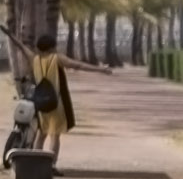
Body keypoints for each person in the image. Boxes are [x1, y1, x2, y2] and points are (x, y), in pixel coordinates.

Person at [8, 30, 109, 165]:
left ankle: (37, 163)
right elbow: (77, 65)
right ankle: (51, 165)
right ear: (51, 47)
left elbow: (21, 47)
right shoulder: (57, 59)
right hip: (56, 103)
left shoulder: (34, 59)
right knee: (54, 135)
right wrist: (100, 69)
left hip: (41, 103)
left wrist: (11, 35)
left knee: (41, 133)